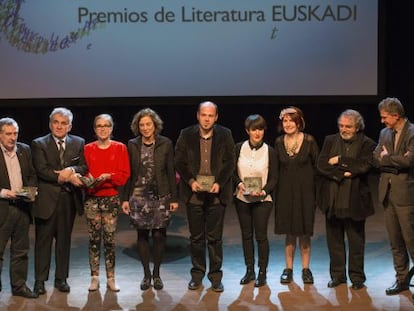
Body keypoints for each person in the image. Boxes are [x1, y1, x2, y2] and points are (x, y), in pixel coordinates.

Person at [174, 101, 235, 292]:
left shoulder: (225, 134)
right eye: (203, 115)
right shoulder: (186, 134)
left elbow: (230, 162)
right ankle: (197, 275)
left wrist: (220, 182)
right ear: (198, 116)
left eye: (210, 115)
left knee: (215, 238)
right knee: (196, 238)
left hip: (217, 195)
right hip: (194, 196)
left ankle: (216, 277)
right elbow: (179, 161)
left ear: (216, 117)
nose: (207, 119)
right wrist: (191, 181)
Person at [317, 109, 376, 290]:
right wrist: (343, 174)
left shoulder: (367, 144)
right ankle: (338, 276)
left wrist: (340, 160)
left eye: (348, 126)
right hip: (332, 200)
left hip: (355, 201)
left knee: (356, 242)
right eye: (341, 126)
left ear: (357, 127)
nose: (344, 129)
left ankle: (357, 278)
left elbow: (364, 165)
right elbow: (322, 165)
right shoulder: (330, 140)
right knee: (334, 242)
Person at [121, 108, 178, 291]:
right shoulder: (132, 144)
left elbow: (170, 171)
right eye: (142, 125)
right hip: (138, 196)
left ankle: (157, 274)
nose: (145, 128)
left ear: (155, 125)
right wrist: (125, 198)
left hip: (161, 196)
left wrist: (174, 198)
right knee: (142, 235)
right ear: (137, 127)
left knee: (160, 236)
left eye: (148, 124)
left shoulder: (165, 143)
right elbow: (129, 173)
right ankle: (146, 274)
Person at [31, 107, 87, 295]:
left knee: (64, 241)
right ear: (50, 124)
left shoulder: (79, 142)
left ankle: (61, 279)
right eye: (56, 122)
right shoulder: (39, 144)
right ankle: (40, 281)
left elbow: (84, 166)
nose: (59, 126)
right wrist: (65, 177)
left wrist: (70, 171)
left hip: (68, 200)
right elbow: (42, 170)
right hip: (46, 200)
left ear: (69, 126)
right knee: (42, 242)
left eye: (64, 123)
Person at [83, 114, 130, 292]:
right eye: (99, 126)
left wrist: (109, 176)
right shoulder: (87, 149)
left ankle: (111, 277)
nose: (103, 128)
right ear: (95, 129)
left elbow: (124, 175)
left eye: (106, 125)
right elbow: (83, 171)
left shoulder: (120, 148)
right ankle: (94, 277)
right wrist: (89, 179)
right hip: (92, 199)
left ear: (111, 128)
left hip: (111, 199)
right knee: (94, 239)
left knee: (109, 240)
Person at [373, 97, 414, 296]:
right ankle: (402, 279)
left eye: (384, 117)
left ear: (396, 116)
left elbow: (410, 162)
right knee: (395, 241)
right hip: (387, 194)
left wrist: (387, 158)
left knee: (411, 240)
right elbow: (375, 157)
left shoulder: (413, 133)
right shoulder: (384, 133)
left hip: (407, 195)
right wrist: (395, 160)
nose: (382, 121)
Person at [274, 106, 319, 285]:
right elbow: (275, 170)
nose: (288, 124)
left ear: (299, 122)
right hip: (285, 194)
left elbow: (318, 167)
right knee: (289, 233)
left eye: (291, 120)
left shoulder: (309, 140)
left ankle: (306, 269)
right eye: (285, 121)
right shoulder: (278, 142)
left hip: (305, 194)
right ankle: (289, 268)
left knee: (304, 232)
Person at [233, 114, 277, 287]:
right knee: (246, 235)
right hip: (242, 198)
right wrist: (240, 184)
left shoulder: (270, 151)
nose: (257, 133)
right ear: (247, 131)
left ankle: (262, 272)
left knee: (261, 235)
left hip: (263, 200)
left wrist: (265, 190)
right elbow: (232, 172)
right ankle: (249, 270)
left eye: (260, 129)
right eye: (254, 129)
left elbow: (274, 177)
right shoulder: (238, 148)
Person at [0, 117, 38, 298]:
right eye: (8, 134)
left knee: (21, 251)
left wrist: (29, 192)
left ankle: (19, 286)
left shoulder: (24, 150)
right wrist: (4, 193)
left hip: (22, 208)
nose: (12, 137)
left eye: (15, 133)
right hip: (3, 208)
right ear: (0, 134)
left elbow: (31, 174)